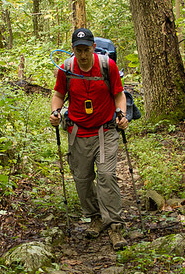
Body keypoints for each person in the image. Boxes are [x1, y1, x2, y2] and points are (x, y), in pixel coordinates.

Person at [50, 28, 129, 249]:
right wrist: (56, 112)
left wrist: (122, 114)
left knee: (105, 175)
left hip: (105, 131)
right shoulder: (66, 69)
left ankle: (114, 225)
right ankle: (95, 218)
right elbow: (58, 95)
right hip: (78, 133)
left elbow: (118, 94)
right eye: (78, 50)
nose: (83, 54)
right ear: (73, 49)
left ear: (93, 48)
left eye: (86, 49)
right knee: (82, 180)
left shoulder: (107, 66)